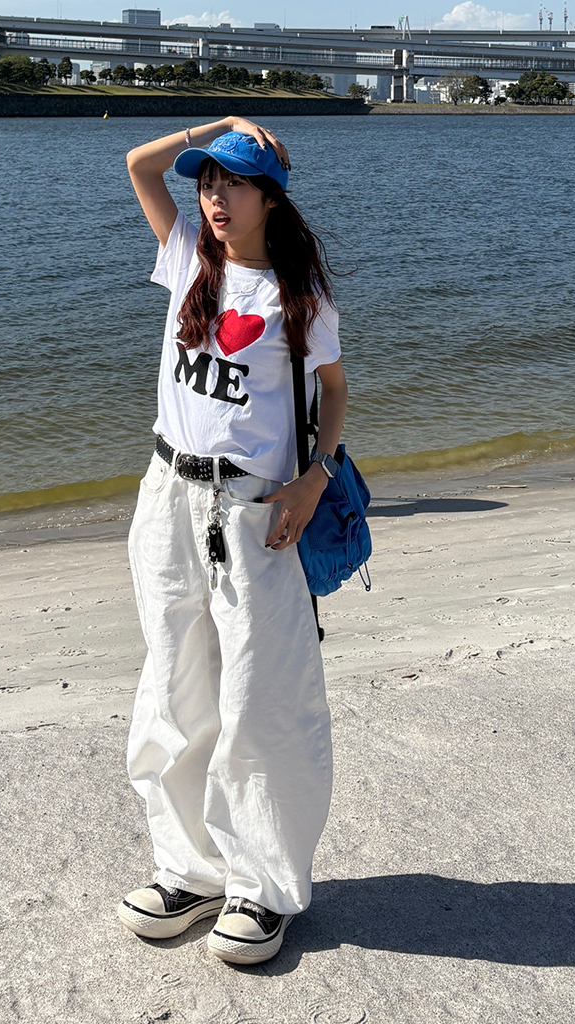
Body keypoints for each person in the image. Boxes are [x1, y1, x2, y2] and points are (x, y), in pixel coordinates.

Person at [117, 116, 348, 966]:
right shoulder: (187, 260)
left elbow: (334, 393)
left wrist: (316, 475)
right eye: (208, 182)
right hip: (168, 498)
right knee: (174, 687)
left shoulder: (298, 297)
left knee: (260, 699)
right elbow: (139, 165)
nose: (214, 198)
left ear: (270, 198)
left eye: (234, 182)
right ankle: (190, 870)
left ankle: (263, 886)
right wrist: (219, 125)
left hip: (255, 515)